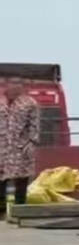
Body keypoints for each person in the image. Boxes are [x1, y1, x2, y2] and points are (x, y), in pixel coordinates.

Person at [0, 80, 40, 217]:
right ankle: (1, 213)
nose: (14, 87)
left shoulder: (30, 103)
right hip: (2, 146)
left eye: (18, 84)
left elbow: (34, 126)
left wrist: (31, 143)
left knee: (21, 179)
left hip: (20, 147)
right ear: (6, 85)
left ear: (22, 87)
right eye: (11, 83)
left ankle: (20, 212)